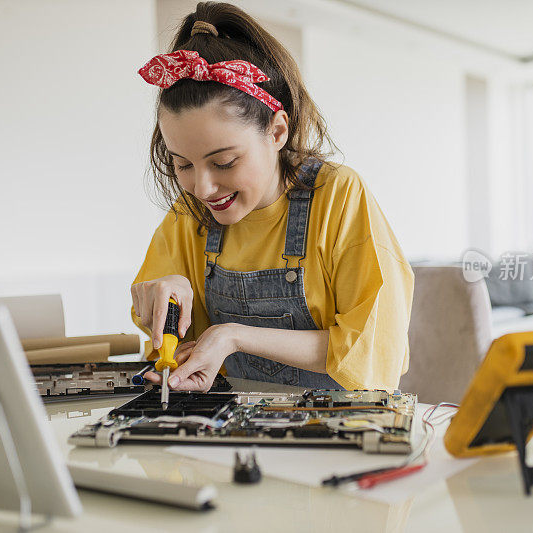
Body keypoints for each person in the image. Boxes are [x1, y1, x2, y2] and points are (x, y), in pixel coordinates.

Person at [130, 2, 414, 392]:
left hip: (345, 430)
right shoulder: (188, 215)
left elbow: (370, 348)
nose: (203, 188)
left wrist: (234, 336)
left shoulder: (337, 196)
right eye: (182, 165)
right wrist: (170, 304)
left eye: (225, 162)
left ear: (277, 132)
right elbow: (172, 348)